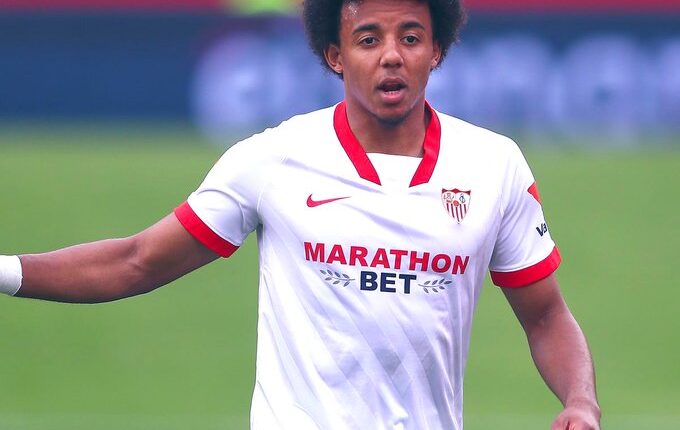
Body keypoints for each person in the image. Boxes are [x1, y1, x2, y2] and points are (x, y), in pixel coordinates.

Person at [0, 0, 600, 428]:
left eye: (412, 37)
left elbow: (545, 315)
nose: (392, 56)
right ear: (335, 55)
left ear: (437, 50)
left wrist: (581, 401)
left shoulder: (494, 166)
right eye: (369, 39)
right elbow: (136, 261)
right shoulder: (274, 159)